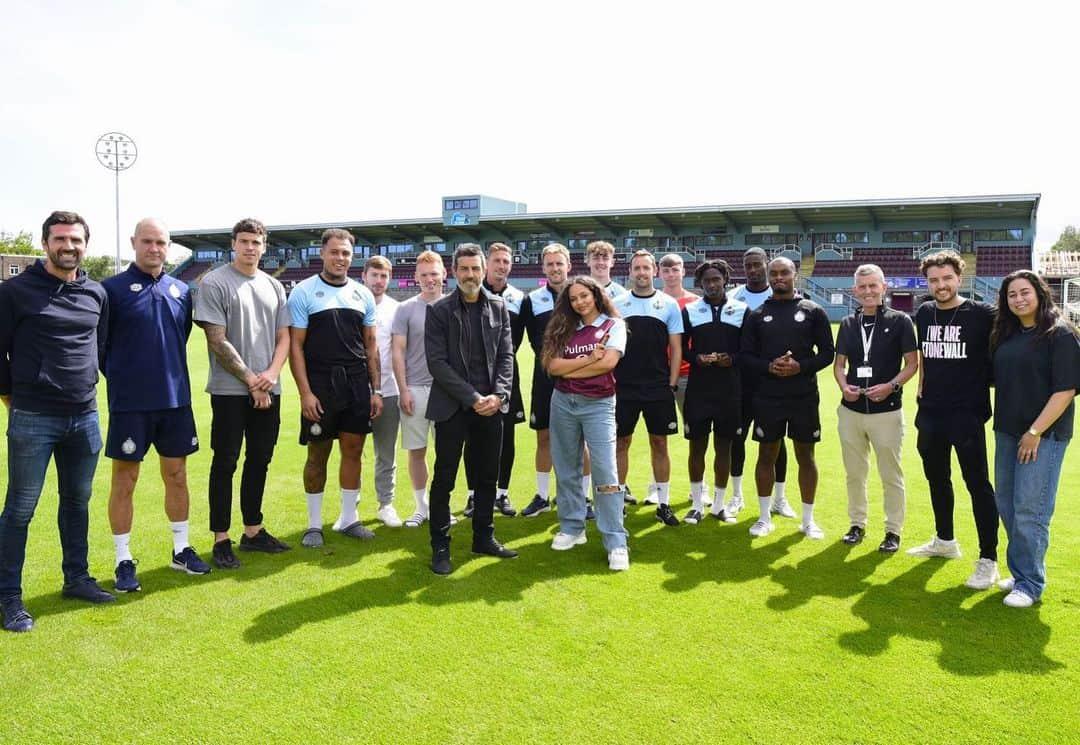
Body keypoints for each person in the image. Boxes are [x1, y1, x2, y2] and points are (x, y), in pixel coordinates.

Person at [0, 211, 113, 632]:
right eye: (60, 239)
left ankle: (77, 579)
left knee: (76, 502)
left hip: (84, 417)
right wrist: (13, 399)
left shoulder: (96, 293)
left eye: (77, 240)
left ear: (86, 244)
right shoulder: (15, 292)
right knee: (20, 509)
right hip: (33, 417)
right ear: (46, 243)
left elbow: (96, 348)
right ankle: (9, 596)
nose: (69, 246)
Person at [102, 218, 210, 594]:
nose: (154, 248)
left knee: (177, 475)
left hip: (176, 402)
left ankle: (181, 549)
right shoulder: (110, 290)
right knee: (125, 479)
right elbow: (101, 348)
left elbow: (179, 338)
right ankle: (123, 558)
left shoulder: (181, 289)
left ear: (168, 247)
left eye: (161, 242)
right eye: (147, 241)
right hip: (131, 404)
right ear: (134, 243)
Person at [194, 218, 292, 569]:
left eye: (257, 242)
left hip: (269, 387)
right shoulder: (216, 282)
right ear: (233, 243)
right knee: (226, 462)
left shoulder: (273, 286)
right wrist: (253, 380)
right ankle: (221, 537)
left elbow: (285, 337)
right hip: (229, 390)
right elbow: (216, 339)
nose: (251, 247)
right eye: (244, 241)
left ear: (265, 246)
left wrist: (270, 376)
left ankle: (253, 531)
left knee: (260, 460)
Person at [908, 251, 1000, 591]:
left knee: (977, 485)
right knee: (937, 479)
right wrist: (921, 388)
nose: (941, 285)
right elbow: (926, 357)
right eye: (934, 280)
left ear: (959, 278)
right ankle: (945, 541)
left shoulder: (983, 314)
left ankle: (988, 559)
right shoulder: (924, 312)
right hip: (930, 412)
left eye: (946, 278)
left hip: (967, 414)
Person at [424, 244, 517, 575]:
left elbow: (507, 356)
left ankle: (483, 537)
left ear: (483, 270)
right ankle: (440, 545)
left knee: (487, 476)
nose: (470, 275)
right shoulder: (439, 311)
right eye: (464, 269)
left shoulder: (498, 306)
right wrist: (473, 397)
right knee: (445, 478)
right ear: (454, 272)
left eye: (475, 269)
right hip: (453, 407)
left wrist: (500, 395)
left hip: (491, 407)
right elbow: (437, 364)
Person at [287, 229, 383, 548]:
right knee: (318, 453)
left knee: (353, 451)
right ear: (323, 254)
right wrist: (305, 393)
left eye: (346, 253)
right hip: (320, 385)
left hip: (356, 384)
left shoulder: (362, 294)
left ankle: (348, 519)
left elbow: (371, 346)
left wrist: (376, 389)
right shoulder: (303, 292)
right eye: (335, 252)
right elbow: (296, 348)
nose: (340, 258)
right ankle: (314, 525)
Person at [989, 271, 1079, 607]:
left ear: (1040, 294)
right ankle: (1020, 570)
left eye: (1024, 292)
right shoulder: (1007, 334)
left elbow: (1065, 390)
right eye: (1011, 295)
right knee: (1008, 504)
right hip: (1007, 432)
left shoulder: (1061, 334)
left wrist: (1034, 432)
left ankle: (1030, 584)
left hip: (1043, 436)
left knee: (1031, 508)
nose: (1018, 300)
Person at [738, 257, 834, 539]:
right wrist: (769, 366)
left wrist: (800, 367)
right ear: (769, 277)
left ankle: (807, 520)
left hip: (804, 396)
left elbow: (828, 352)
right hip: (768, 396)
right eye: (774, 273)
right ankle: (765, 517)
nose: (779, 277)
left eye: (784, 273)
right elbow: (744, 356)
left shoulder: (813, 311)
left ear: (795, 275)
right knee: (767, 453)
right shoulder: (757, 314)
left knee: (806, 455)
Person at [542, 277, 630, 570]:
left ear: (596, 295)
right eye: (574, 299)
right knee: (567, 468)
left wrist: (571, 370)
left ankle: (616, 540)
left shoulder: (613, 325)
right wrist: (587, 360)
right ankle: (572, 528)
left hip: (599, 405)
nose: (580, 302)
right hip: (563, 403)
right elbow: (552, 366)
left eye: (584, 296)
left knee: (605, 471)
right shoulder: (562, 327)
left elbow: (607, 364)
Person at [833, 264, 918, 553]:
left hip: (887, 411)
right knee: (854, 473)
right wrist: (844, 387)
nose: (868, 291)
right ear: (855, 290)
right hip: (851, 410)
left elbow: (912, 364)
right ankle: (857, 524)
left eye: (873, 286)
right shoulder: (847, 324)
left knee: (890, 474)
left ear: (884, 287)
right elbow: (839, 365)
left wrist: (891, 386)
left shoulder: (901, 321)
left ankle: (893, 531)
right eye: (862, 286)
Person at [520, 244, 593, 517]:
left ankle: (583, 499)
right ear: (543, 268)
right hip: (546, 377)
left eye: (559, 264)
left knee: (581, 440)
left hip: (579, 376)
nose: (554, 268)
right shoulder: (533, 300)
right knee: (544, 437)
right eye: (549, 264)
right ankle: (542, 496)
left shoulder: (582, 296)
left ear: (568, 265)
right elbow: (530, 339)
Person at [613, 250, 684, 526]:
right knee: (621, 443)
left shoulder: (668, 304)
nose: (641, 273)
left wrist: (672, 383)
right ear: (630, 272)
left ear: (654, 271)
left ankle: (663, 503)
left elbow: (676, 348)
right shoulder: (617, 304)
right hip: (624, 387)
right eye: (636, 268)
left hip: (658, 387)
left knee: (660, 443)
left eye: (646, 268)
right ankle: (617, 503)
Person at [680, 260, 748, 524]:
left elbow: (748, 350)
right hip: (699, 390)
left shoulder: (742, 310)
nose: (711, 285)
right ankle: (697, 504)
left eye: (716, 279)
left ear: (725, 279)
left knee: (724, 447)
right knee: (697, 448)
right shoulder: (691, 310)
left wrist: (730, 359)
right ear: (700, 284)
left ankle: (719, 505)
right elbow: (683, 347)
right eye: (706, 281)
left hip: (730, 390)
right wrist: (697, 358)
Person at [727, 247, 792, 519]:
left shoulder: (779, 296)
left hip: (774, 384)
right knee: (737, 438)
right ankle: (736, 495)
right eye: (748, 265)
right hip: (741, 382)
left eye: (757, 264)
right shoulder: (734, 298)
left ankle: (779, 498)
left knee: (777, 441)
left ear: (766, 264)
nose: (753, 270)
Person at [463, 242, 522, 518]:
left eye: (506, 261)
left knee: (505, 437)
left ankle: (502, 493)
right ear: (488, 264)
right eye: (496, 261)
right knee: (472, 437)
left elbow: (521, 341)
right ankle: (473, 495)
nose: (501, 266)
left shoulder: (521, 298)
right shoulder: (472, 293)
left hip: (506, 376)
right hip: (473, 378)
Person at [391, 251, 446, 528]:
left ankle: (441, 506)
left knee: (447, 451)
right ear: (416, 277)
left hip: (446, 391)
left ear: (443, 274)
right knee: (417, 450)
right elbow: (398, 352)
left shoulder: (453, 306)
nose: (429, 280)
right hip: (415, 388)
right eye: (424, 275)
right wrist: (403, 390)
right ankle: (421, 506)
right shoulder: (406, 309)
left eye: (434, 273)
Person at [655, 252, 701, 506]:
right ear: (658, 272)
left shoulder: (695, 303)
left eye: (676, 269)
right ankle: (657, 487)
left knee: (695, 431)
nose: (671, 274)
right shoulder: (653, 301)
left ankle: (700, 487)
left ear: (684, 272)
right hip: (657, 378)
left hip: (688, 376)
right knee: (657, 434)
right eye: (666, 269)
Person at [362, 255, 403, 527]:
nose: (378, 281)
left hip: (389, 391)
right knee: (351, 452)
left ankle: (385, 504)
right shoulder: (351, 303)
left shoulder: (397, 309)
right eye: (374, 275)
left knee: (386, 453)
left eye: (383, 276)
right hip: (354, 392)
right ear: (364, 276)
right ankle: (349, 505)